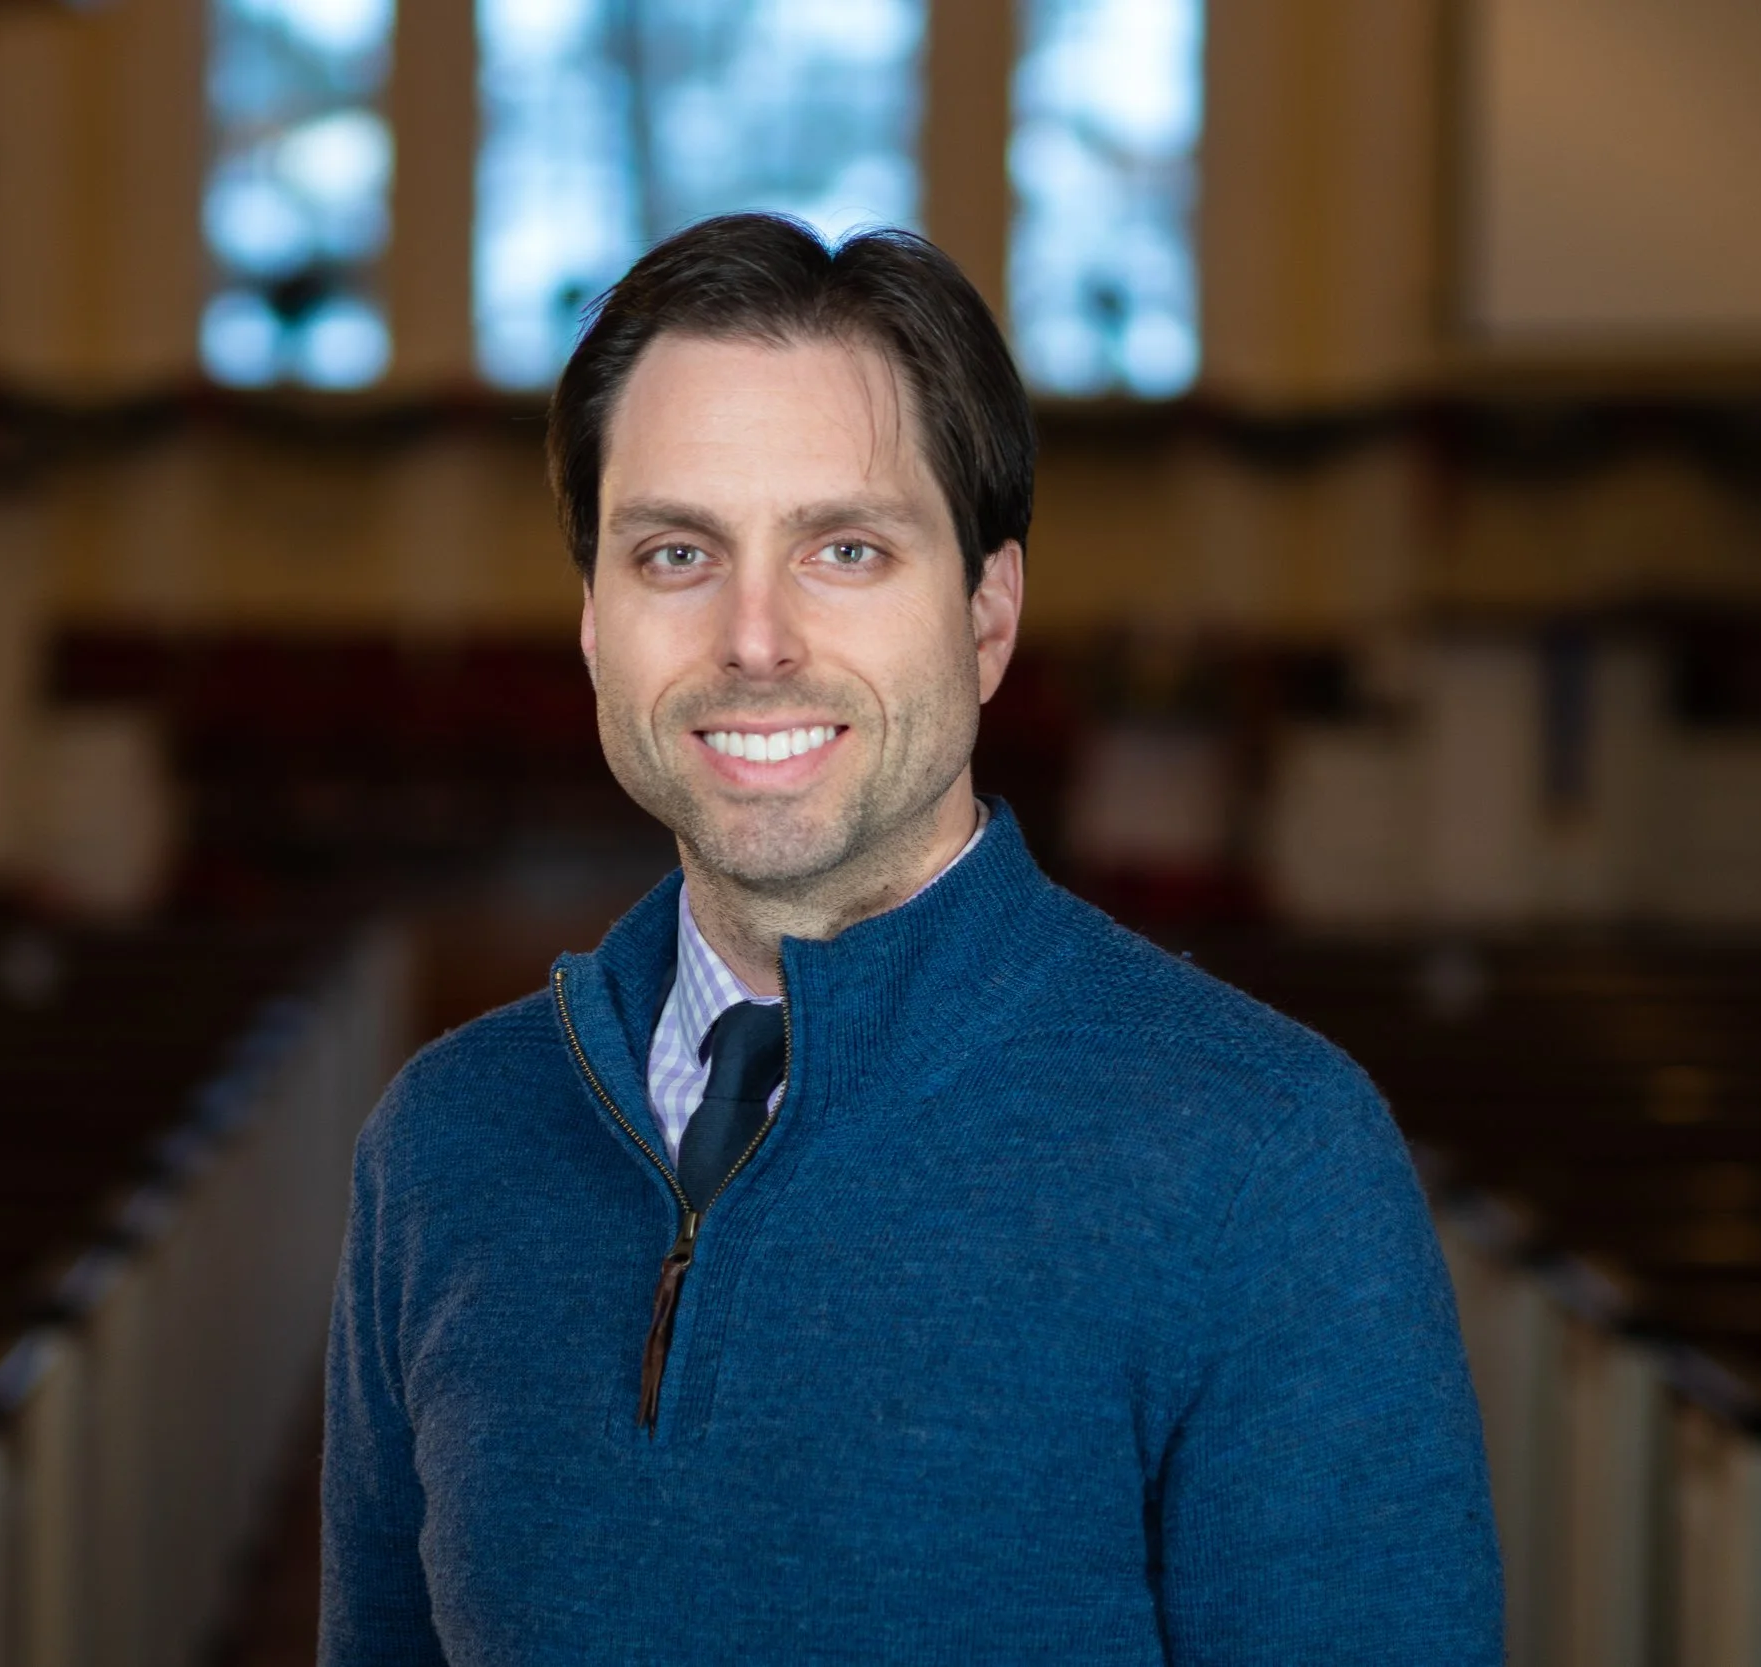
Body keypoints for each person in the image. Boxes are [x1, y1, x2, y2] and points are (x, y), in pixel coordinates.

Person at [321, 213, 1501, 1664]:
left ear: (988, 616)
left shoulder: (1264, 1159)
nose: (755, 637)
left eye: (848, 548)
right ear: (590, 622)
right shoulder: (444, 1143)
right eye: (677, 550)